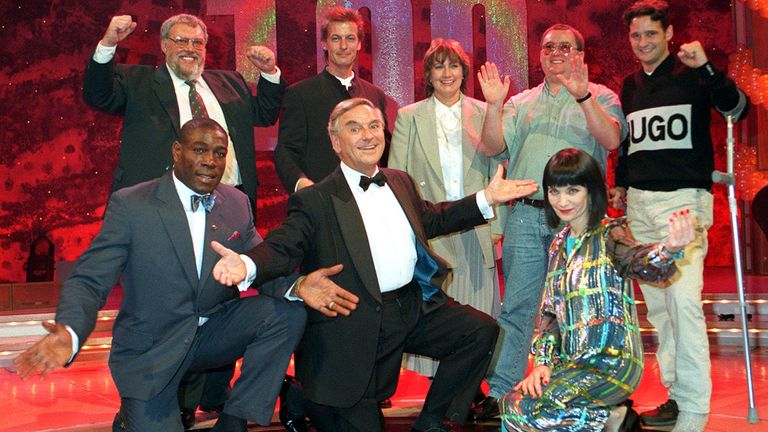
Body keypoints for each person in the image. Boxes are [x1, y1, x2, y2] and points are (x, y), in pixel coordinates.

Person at [211, 98, 539, 432]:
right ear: (337, 143)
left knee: (479, 330)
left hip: (411, 306)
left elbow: (431, 218)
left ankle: (431, 421)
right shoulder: (316, 199)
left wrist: (486, 198)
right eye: (354, 129)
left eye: (373, 126)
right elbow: (283, 246)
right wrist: (248, 264)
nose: (368, 136)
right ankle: (302, 393)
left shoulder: (398, 181)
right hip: (355, 317)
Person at [13, 118, 306, 432]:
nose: (210, 161)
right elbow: (90, 278)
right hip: (152, 345)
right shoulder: (133, 205)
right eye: (200, 150)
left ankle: (233, 421)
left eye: (219, 153)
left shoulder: (235, 203)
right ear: (177, 152)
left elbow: (260, 264)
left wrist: (299, 286)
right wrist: (69, 332)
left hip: (212, 332)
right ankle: (130, 419)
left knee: (286, 314)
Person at [473, 23, 628, 419]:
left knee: (579, 308)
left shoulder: (602, 95)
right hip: (526, 216)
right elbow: (492, 146)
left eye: (565, 46)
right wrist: (493, 105)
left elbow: (611, 141)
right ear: (538, 54)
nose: (555, 52)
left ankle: (573, 391)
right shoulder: (521, 101)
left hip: (579, 220)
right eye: (548, 46)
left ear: (580, 54)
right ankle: (502, 393)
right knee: (518, 307)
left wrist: (583, 95)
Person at [609, 1, 749, 430]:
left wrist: (707, 66)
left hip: (683, 206)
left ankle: (693, 410)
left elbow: (736, 108)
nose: (643, 42)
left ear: (668, 34)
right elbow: (632, 146)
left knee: (684, 304)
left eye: (651, 33)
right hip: (641, 207)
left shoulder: (692, 73)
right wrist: (622, 183)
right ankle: (675, 394)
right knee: (660, 311)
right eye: (636, 36)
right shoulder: (630, 86)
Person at [500, 148, 696, 432]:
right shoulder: (558, 244)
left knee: (536, 415)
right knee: (512, 406)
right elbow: (550, 315)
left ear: (591, 191)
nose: (562, 201)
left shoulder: (610, 233)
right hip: (573, 365)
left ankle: (610, 419)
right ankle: (611, 420)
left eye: (572, 190)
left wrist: (669, 250)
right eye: (554, 191)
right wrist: (542, 364)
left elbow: (637, 261)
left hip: (612, 363)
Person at [388, 38, 505, 380]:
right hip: (432, 229)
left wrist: (499, 226)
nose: (447, 73)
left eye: (453, 65)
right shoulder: (409, 116)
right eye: (438, 66)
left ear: (464, 71)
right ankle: (442, 386)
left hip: (480, 224)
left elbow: (498, 171)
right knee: (439, 311)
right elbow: (399, 176)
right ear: (428, 74)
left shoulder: (486, 112)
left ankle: (472, 386)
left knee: (480, 307)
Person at [83, 13, 285, 207]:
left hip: (230, 199)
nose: (190, 48)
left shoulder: (230, 82)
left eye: (197, 43)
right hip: (160, 201)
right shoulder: (138, 81)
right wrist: (108, 44)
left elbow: (264, 114)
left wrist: (269, 72)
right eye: (181, 41)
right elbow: (98, 96)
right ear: (164, 45)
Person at [274, 6, 389, 193]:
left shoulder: (375, 95)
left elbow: (384, 152)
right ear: (324, 43)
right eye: (336, 38)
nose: (343, 46)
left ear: (359, 43)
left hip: (370, 199)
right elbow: (286, 152)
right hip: (322, 202)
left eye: (350, 38)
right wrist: (302, 184)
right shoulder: (299, 94)